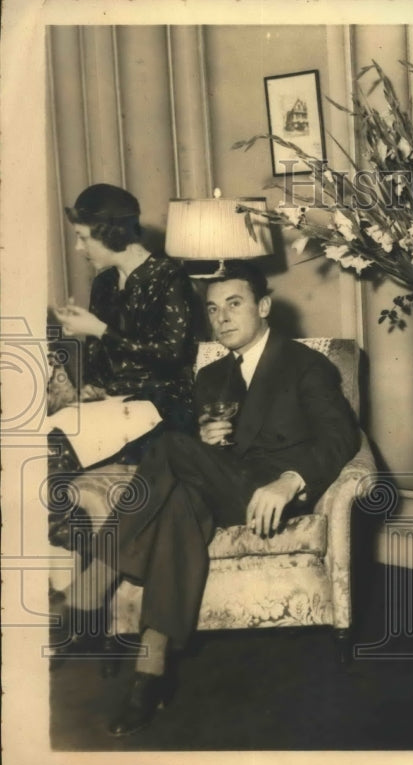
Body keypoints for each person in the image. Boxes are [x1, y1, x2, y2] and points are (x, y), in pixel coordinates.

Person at [53, 261, 361, 736]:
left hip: (270, 497)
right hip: (219, 488)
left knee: (170, 447)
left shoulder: (306, 364)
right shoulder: (212, 375)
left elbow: (341, 438)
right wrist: (205, 437)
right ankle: (149, 677)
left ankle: (91, 587)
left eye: (234, 304)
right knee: (177, 504)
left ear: (263, 306)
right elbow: (204, 456)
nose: (222, 318)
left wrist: (289, 480)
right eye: (213, 309)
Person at [49, 184, 201, 544]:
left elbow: (171, 354)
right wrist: (91, 385)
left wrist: (101, 329)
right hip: (114, 407)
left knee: (52, 448)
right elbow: (101, 363)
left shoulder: (169, 277)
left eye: (83, 238)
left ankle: (74, 556)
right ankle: (69, 550)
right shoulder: (103, 284)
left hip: (163, 409)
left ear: (110, 232)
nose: (78, 248)